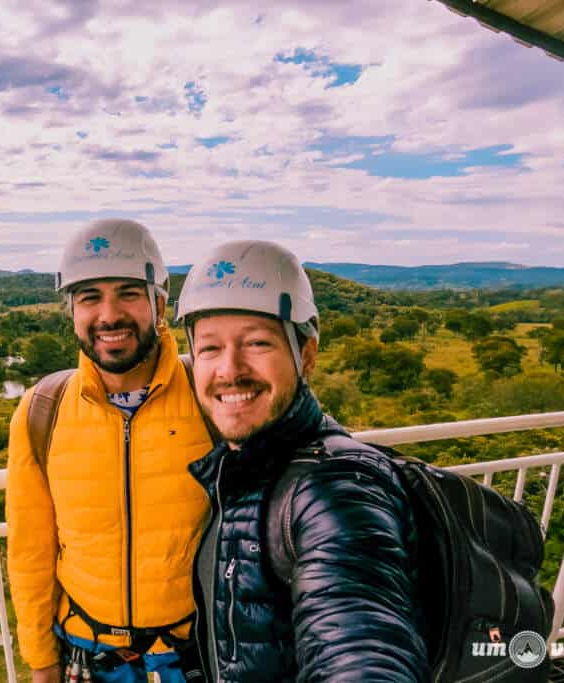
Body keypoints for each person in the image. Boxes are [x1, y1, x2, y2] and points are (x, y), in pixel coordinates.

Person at [176, 240, 429, 682]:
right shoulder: (243, 469)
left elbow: (358, 638)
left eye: (257, 342)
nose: (229, 369)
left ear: (306, 355)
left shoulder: (335, 486)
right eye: (210, 348)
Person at [6, 219, 213, 683]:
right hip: (86, 653)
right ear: (72, 311)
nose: (109, 315)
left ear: (160, 303)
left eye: (128, 293)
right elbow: (30, 551)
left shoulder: (208, 396)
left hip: (195, 652)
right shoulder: (44, 409)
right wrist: (41, 662)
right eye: (90, 298)